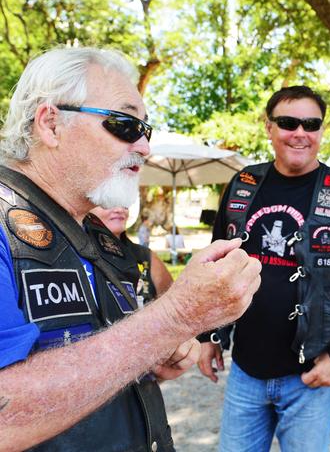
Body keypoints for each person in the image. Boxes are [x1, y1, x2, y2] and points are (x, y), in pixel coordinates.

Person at [0, 46, 261, 452]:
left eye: (146, 130)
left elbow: (95, 354)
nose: (144, 148)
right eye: (124, 124)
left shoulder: (97, 234)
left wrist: (151, 353)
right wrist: (174, 318)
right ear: (51, 124)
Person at [198, 85, 330, 451]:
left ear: (321, 130)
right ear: (269, 127)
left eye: (311, 124)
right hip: (246, 371)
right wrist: (210, 337)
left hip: (310, 377)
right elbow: (216, 268)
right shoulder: (243, 185)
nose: (300, 133)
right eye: (288, 122)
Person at [90, 206, 173, 304]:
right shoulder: (75, 256)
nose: (119, 210)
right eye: (108, 203)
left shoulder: (145, 256)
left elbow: (173, 306)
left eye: (124, 204)